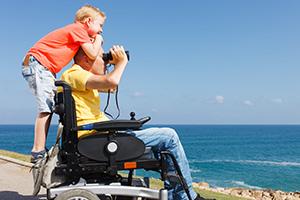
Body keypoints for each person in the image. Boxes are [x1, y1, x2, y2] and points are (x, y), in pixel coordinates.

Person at [60, 40, 205, 199]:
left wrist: (115, 64)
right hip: (95, 141)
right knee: (169, 136)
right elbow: (112, 81)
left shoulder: (78, 78)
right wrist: (122, 62)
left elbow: (110, 87)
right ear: (87, 59)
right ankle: (185, 196)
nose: (106, 63)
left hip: (95, 138)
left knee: (162, 145)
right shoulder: (75, 74)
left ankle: (176, 194)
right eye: (103, 58)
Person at [21, 5, 106, 164]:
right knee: (46, 108)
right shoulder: (78, 30)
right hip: (39, 64)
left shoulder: (76, 32)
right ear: (88, 21)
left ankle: (40, 149)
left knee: (52, 106)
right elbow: (92, 54)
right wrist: (99, 41)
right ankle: (37, 151)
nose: (101, 30)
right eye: (100, 25)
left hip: (42, 66)